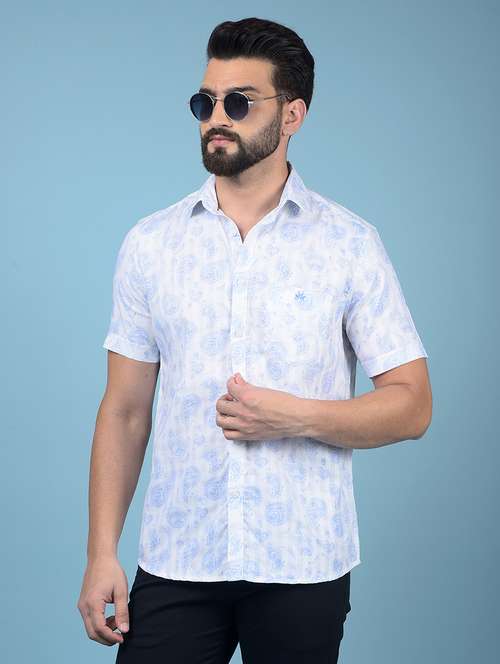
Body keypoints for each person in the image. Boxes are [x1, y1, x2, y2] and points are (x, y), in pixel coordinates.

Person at [77, 16, 432, 664]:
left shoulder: (350, 245)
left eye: (238, 103)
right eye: (205, 102)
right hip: (179, 557)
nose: (217, 118)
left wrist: (294, 417)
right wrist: (102, 552)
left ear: (292, 114)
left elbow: (413, 405)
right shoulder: (151, 245)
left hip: (303, 563)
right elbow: (124, 410)